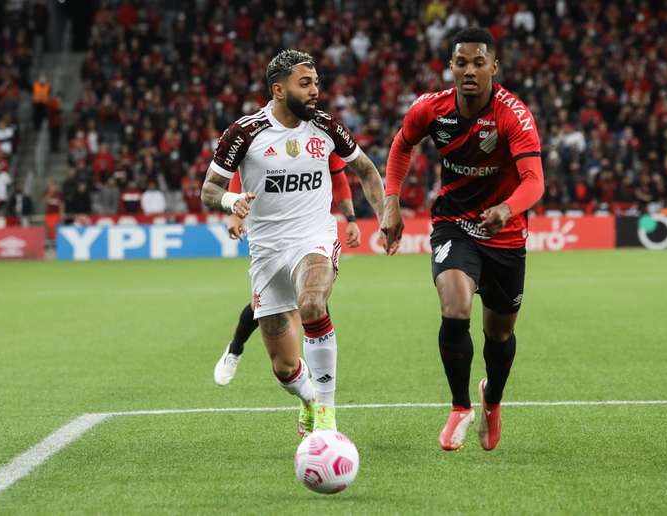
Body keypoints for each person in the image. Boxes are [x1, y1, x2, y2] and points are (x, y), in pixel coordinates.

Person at [201, 49, 385, 436]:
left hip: (313, 237)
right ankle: (309, 400)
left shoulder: (326, 127)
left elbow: (366, 171)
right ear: (278, 89)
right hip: (267, 250)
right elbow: (209, 190)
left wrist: (385, 217)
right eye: (306, 83)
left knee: (313, 303)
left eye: (316, 82)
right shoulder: (244, 132)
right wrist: (234, 201)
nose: (315, 90)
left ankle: (327, 418)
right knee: (284, 368)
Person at [381, 28, 544, 451]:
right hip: (454, 223)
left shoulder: (514, 115)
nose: (469, 70)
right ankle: (460, 406)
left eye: (478, 62)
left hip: (504, 233)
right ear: (450, 67)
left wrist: (507, 209)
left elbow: (534, 182)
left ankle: (492, 399)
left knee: (499, 336)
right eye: (461, 62)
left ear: (494, 67)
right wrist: (391, 202)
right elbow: (401, 148)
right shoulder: (430, 109)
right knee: (455, 306)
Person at [214, 153, 361, 385]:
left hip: (310, 233)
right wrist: (235, 213)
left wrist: (351, 218)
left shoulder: (321, 133)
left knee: (314, 298)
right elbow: (241, 170)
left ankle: (320, 375)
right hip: (272, 234)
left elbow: (339, 178)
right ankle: (235, 349)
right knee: (259, 307)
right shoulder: (261, 133)